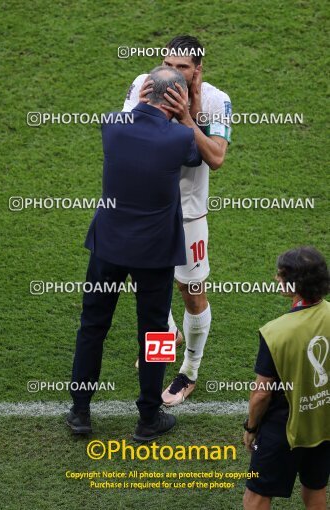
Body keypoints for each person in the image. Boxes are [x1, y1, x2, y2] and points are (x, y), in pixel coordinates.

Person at [67, 66, 201, 441]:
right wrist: (187, 114)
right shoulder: (178, 138)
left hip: (108, 247)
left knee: (93, 327)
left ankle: (80, 412)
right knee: (155, 335)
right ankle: (147, 417)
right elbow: (199, 153)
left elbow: (127, 116)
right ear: (176, 99)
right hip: (155, 254)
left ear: (144, 92)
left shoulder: (112, 124)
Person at [123, 35, 232, 405]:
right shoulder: (145, 85)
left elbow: (216, 158)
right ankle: (166, 339)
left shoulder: (217, 100)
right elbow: (123, 139)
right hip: (147, 208)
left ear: (198, 70)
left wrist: (189, 118)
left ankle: (190, 371)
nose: (173, 73)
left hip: (188, 214)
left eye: (182, 68)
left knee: (191, 292)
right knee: (147, 285)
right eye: (169, 64)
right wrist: (140, 110)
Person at [243, 246, 330, 510]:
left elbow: (261, 394)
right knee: (315, 491)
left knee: (255, 496)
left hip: (285, 428)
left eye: (280, 274)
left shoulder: (276, 333)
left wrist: (251, 427)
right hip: (324, 423)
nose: (275, 278)